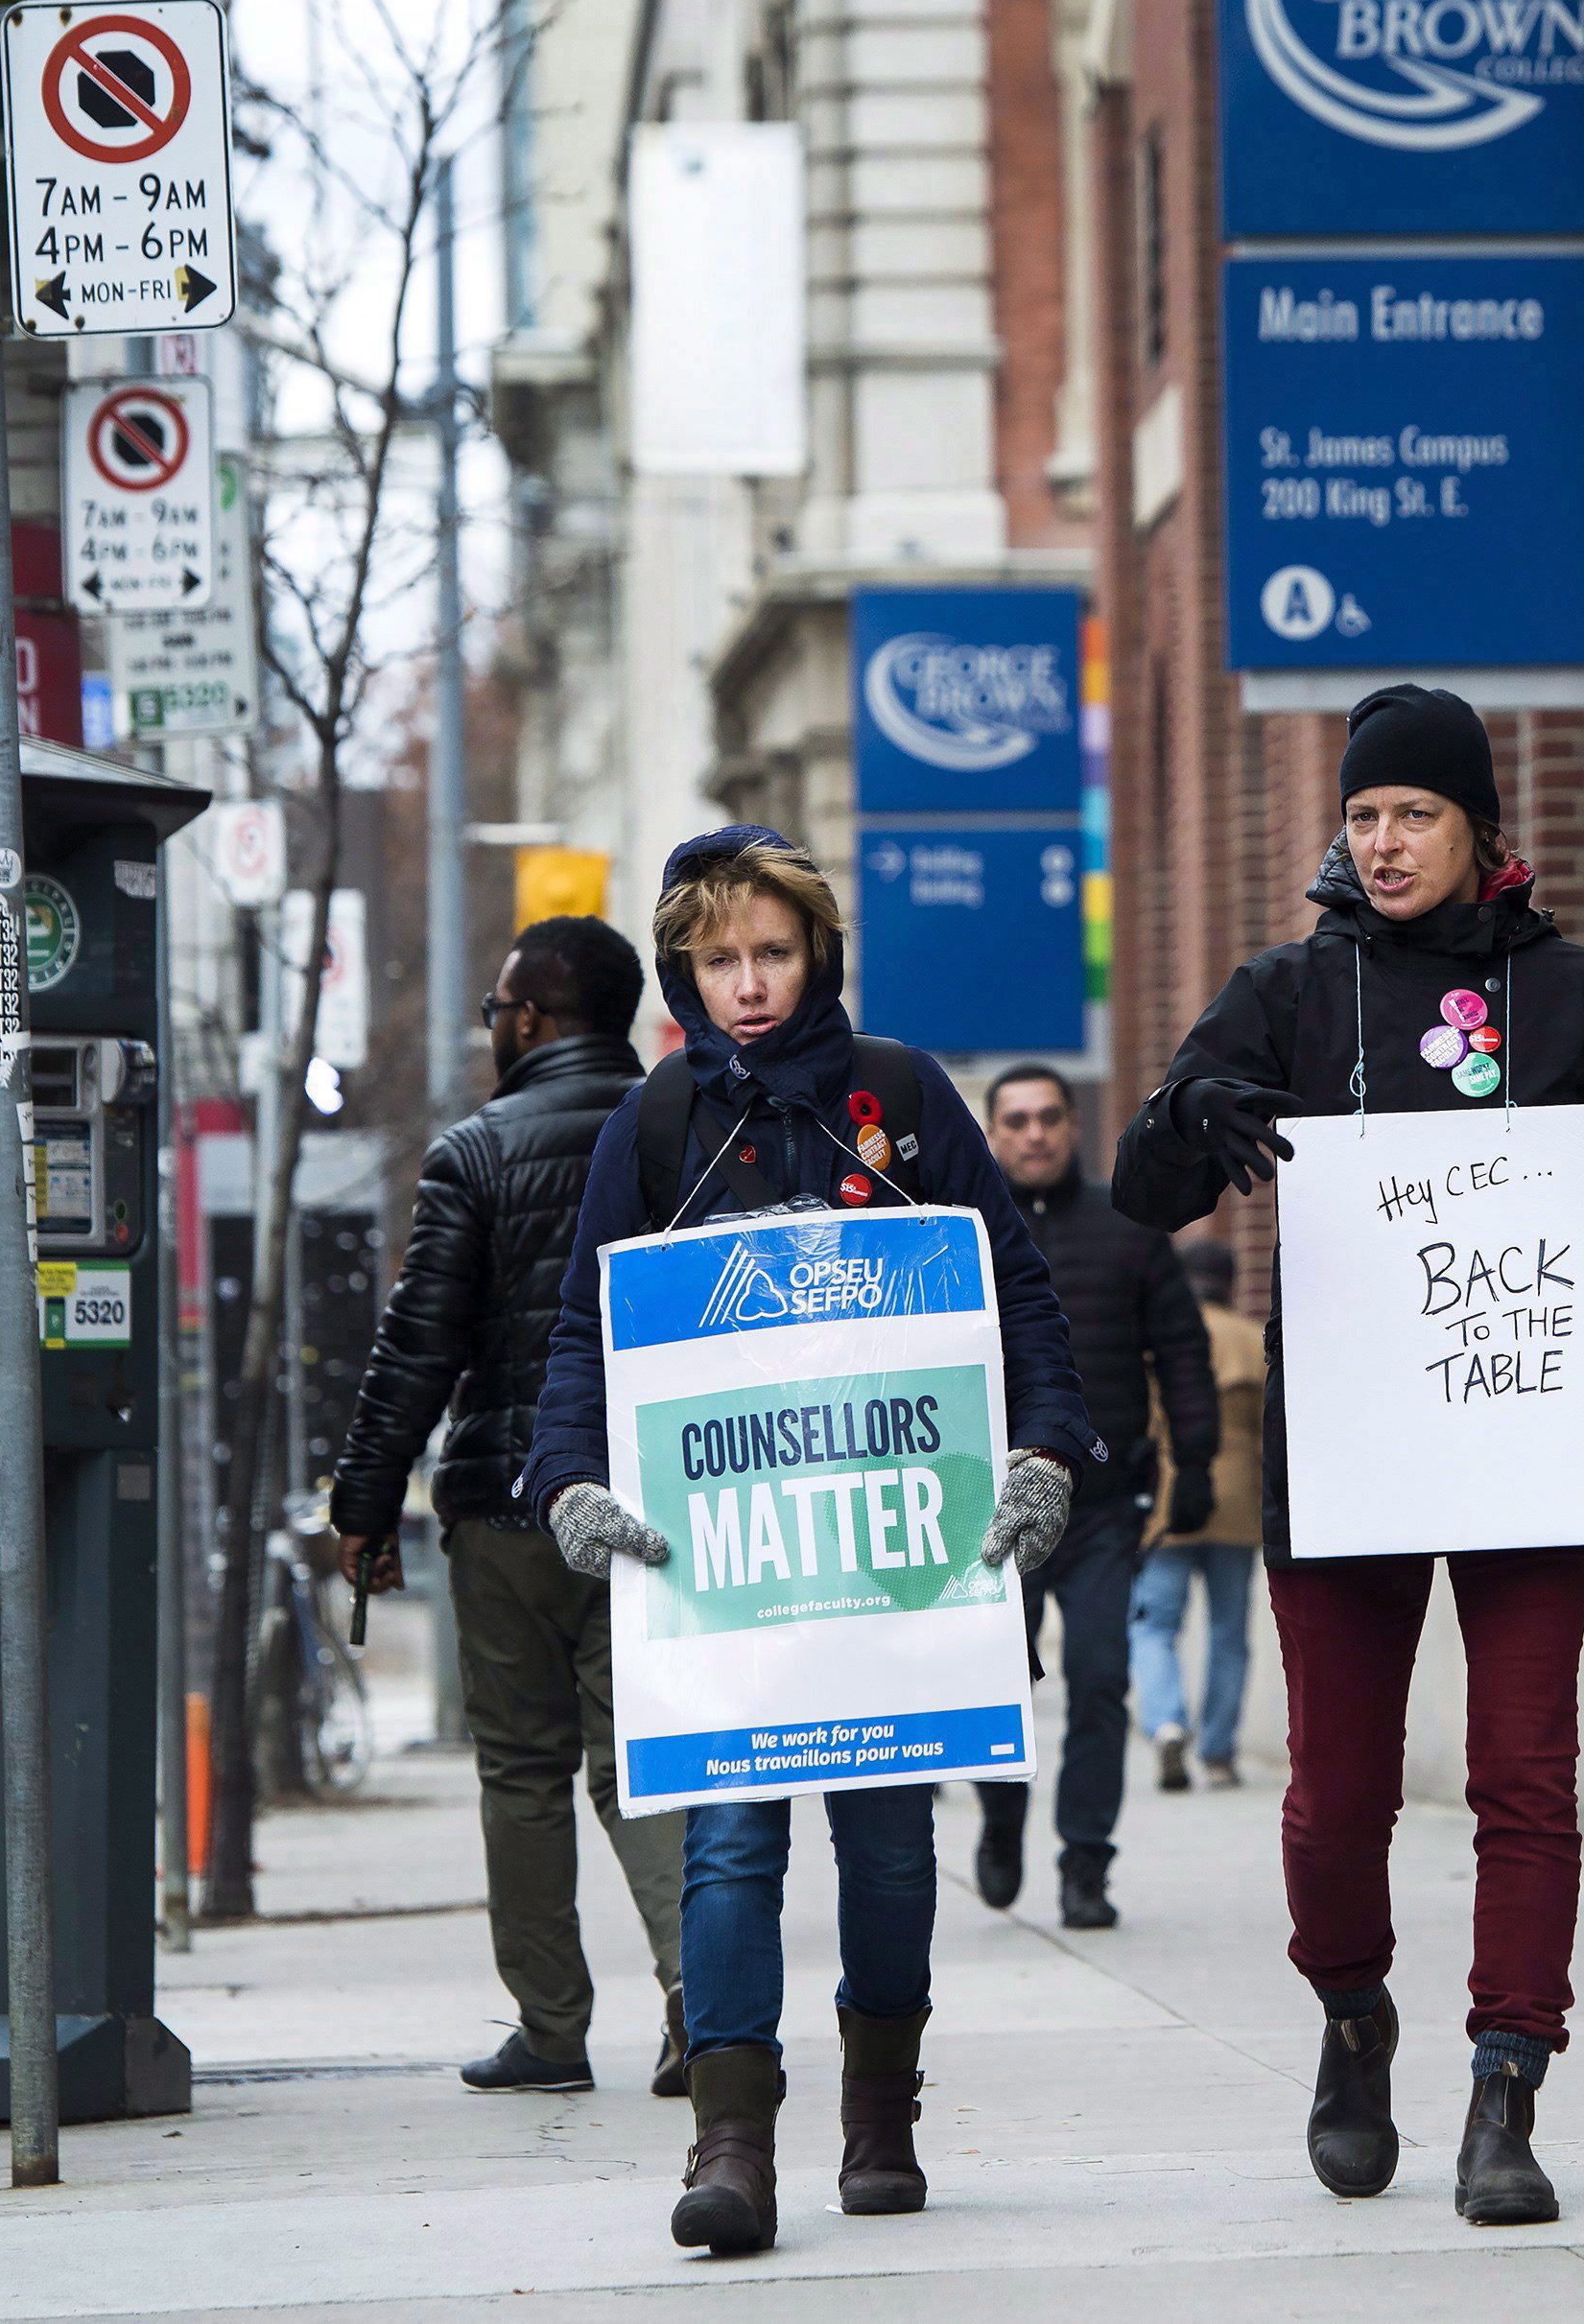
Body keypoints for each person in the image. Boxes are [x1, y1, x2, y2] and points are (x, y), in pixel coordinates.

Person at [1111, 683, 1584, 2228]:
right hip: (1349, 1458)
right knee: (1332, 1797)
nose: (1381, 842)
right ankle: (1353, 2016)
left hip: (1530, 1445)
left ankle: (1507, 2085)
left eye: (1413, 814)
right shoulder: (1291, 991)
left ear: (1477, 825)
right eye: (1363, 815)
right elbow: (1136, 1193)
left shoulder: (1567, 992)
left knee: (1524, 1778)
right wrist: (1193, 1110)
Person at [516, 826, 1102, 2257]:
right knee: (726, 1847)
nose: (749, 982)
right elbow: (584, 1334)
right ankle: (732, 2143)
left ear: (817, 951)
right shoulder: (652, 1124)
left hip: (891, 1556)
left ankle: (881, 2117)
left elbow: (1013, 1289)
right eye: (719, 959)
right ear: (683, 970)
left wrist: (1042, 1450)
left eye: (772, 951)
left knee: (894, 1850)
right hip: (722, 1567)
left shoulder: (898, 1095)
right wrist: (566, 1481)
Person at [327, 914, 687, 2099]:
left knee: (523, 1771)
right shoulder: (688, 1129)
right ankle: (705, 2003)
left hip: (509, 1503)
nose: (492, 1027)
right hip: (657, 1498)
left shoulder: (475, 1152)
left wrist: (363, 1505)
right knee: (644, 1761)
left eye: (495, 1009)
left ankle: (551, 2028)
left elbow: (415, 1348)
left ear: (530, 1015)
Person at [974, 1065, 1219, 1926]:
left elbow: (1182, 1350)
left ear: (1073, 1125)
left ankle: (1086, 1863)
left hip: (1106, 1502)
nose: (1034, 1134)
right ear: (993, 1132)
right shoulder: (963, 1232)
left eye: (1048, 1118)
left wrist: (1196, 1463)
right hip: (995, 1514)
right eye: (1016, 1121)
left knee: (1102, 1679)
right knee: (999, 1683)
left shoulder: (1129, 1227)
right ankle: (1001, 1819)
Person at [1132, 1236, 1267, 1790]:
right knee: (1229, 1631)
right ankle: (1218, 1753)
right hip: (1238, 1498)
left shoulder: (1155, 1336)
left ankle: (1166, 1722)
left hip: (1169, 1497)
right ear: (1231, 1280)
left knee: (1153, 1623)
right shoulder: (1255, 1339)